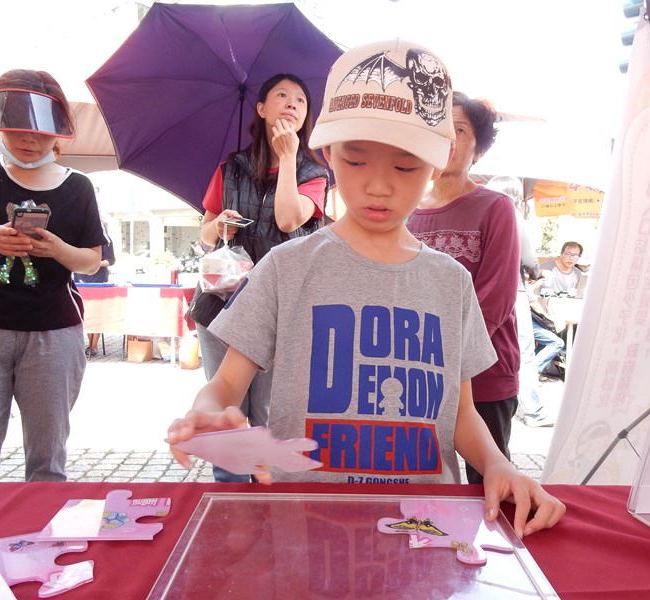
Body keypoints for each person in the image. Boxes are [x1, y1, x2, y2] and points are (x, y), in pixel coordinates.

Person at [167, 39, 565, 538]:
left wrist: (499, 464)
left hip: (425, 531)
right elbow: (225, 385)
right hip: (306, 528)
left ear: (438, 161)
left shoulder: (450, 281)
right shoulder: (285, 268)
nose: (379, 186)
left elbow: (461, 413)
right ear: (327, 154)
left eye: (404, 166)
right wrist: (208, 413)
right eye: (355, 161)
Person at [0, 69, 105, 482]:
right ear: (0, 125)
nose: (29, 139)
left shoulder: (79, 187)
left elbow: (92, 261)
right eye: (17, 128)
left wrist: (57, 249)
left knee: (48, 462)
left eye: (39, 130)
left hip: (55, 334)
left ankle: (43, 542)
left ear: (58, 133)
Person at [189, 72, 329, 483]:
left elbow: (289, 219)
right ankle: (230, 498)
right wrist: (220, 226)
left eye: (300, 100)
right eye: (281, 96)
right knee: (227, 408)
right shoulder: (230, 167)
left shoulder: (313, 173)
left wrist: (288, 158)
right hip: (220, 300)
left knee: (268, 412)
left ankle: (268, 498)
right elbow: (205, 227)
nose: (291, 103)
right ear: (262, 109)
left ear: (306, 117)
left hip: (280, 306)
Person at [406, 94, 521, 483]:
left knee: (487, 483)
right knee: (424, 486)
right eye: (440, 129)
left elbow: (497, 300)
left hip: (484, 376)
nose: (450, 140)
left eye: (460, 130)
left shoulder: (495, 207)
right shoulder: (406, 212)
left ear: (479, 148)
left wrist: (445, 358)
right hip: (416, 377)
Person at [484, 175, 554, 427]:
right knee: (523, 352)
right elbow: (530, 261)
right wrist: (536, 274)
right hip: (513, 293)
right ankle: (534, 411)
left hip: (482, 291)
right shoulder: (512, 213)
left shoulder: (481, 212)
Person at [74, 222, 115, 357]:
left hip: (98, 280)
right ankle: (86, 344)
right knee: (85, 312)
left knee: (96, 312)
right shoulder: (79, 239)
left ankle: (93, 346)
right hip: (80, 279)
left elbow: (111, 260)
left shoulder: (106, 241)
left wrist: (94, 264)